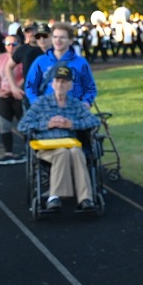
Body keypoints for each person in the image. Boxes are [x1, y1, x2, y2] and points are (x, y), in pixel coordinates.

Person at [18, 65, 100, 212]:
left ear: (70, 85)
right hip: (47, 147)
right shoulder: (41, 103)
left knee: (76, 152)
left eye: (64, 81)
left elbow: (94, 121)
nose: (60, 84)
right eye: (58, 81)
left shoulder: (75, 104)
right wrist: (47, 124)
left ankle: (85, 198)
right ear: (52, 84)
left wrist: (72, 124)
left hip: (70, 144)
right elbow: (23, 126)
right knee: (62, 152)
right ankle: (54, 197)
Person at [24, 22, 97, 108]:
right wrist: (37, 104)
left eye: (62, 37)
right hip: (47, 110)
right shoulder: (41, 61)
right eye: (55, 37)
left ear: (70, 40)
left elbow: (90, 88)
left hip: (74, 110)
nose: (58, 40)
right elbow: (30, 86)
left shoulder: (80, 62)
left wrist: (86, 103)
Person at [0, 35, 26, 165]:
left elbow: (25, 76)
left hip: (18, 95)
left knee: (24, 124)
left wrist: (15, 88)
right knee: (4, 124)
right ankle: (8, 153)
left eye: (14, 44)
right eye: (8, 44)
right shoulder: (1, 58)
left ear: (19, 45)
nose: (10, 47)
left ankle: (27, 151)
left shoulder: (23, 58)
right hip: (4, 96)